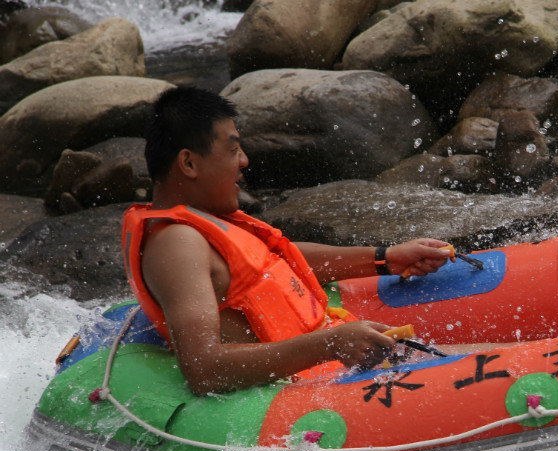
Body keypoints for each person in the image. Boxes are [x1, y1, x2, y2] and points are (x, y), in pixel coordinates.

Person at [122, 86, 454, 395]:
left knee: (478, 358)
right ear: (189, 163)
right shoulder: (177, 242)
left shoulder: (202, 219)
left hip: (337, 366)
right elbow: (203, 370)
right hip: (311, 391)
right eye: (234, 149)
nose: (243, 161)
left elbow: (275, 265)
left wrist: (386, 258)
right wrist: (328, 344)